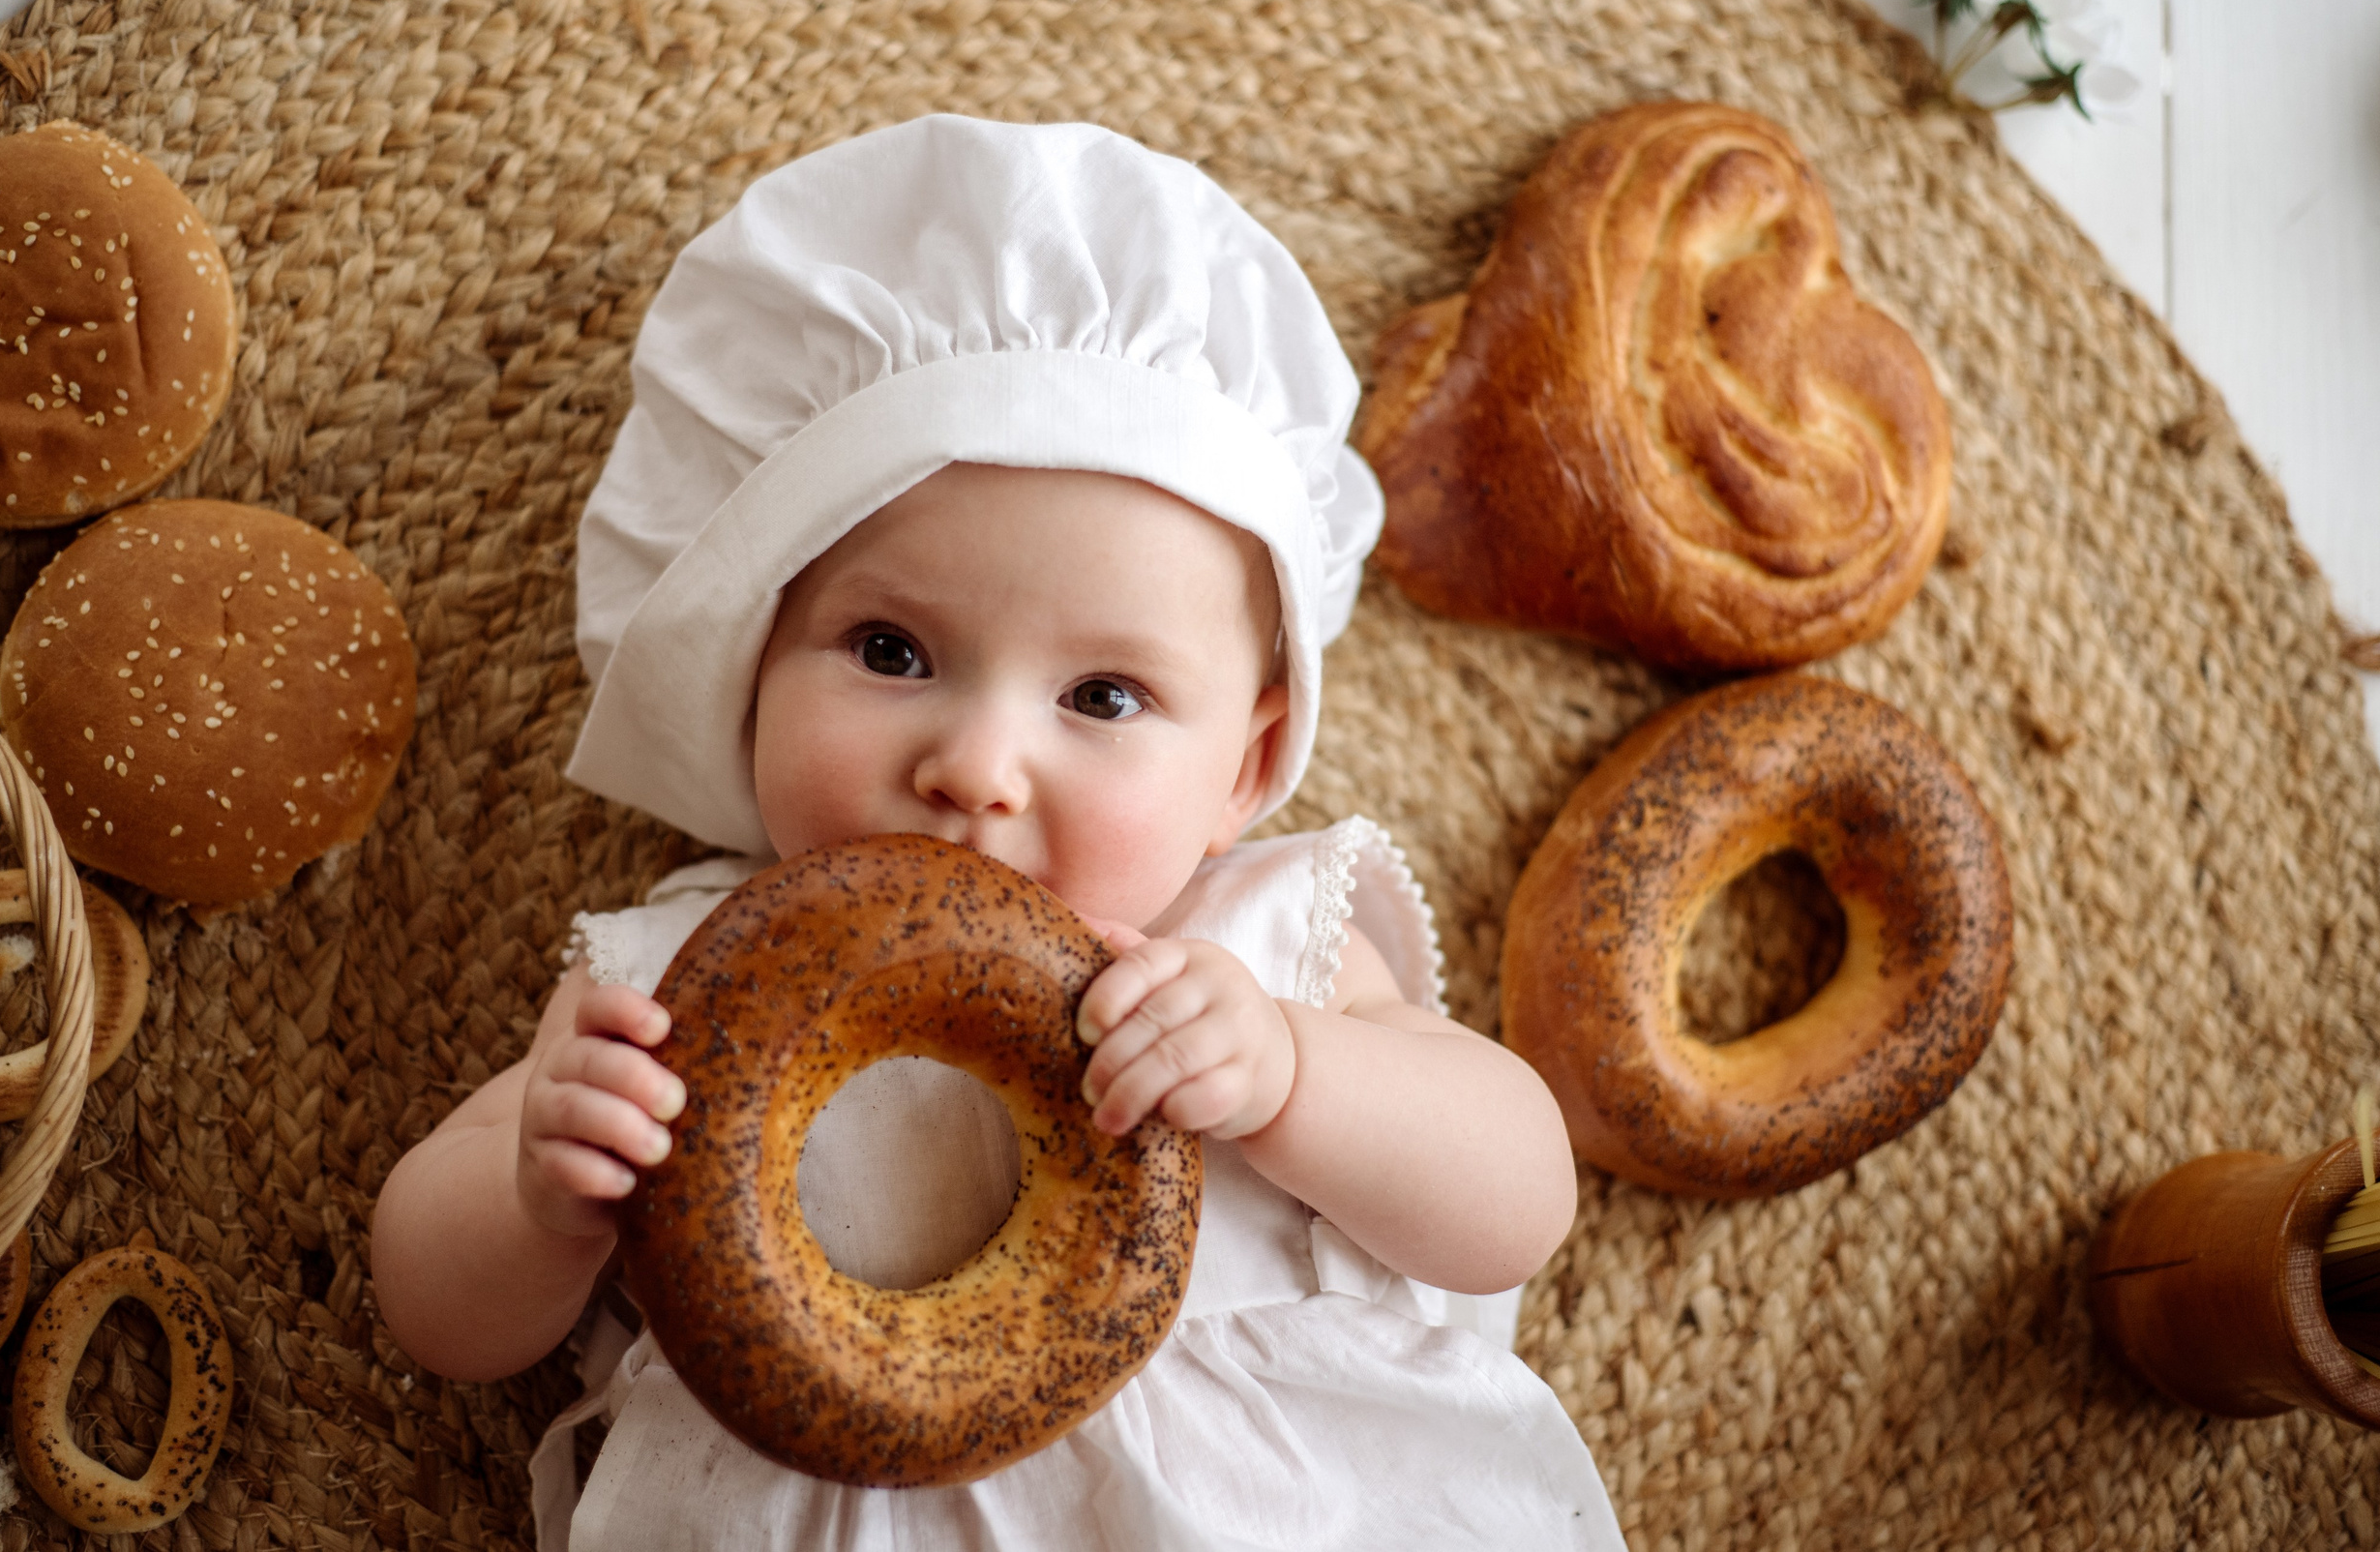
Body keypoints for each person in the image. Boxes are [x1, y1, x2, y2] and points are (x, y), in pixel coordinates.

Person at [370, 114, 1625, 1551]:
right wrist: (542, 1194)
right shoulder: (675, 987)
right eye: (891, 650)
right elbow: (433, 1308)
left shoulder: (1262, 948)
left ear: (1251, 761)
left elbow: (1520, 1198)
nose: (974, 766)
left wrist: (1292, 1075)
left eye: (1102, 693)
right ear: (751, 670)